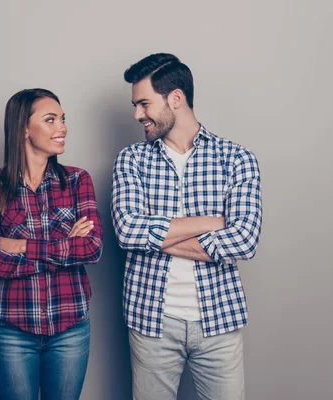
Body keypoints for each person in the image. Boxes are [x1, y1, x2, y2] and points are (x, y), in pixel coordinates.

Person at [111, 53, 262, 400]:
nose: (137, 115)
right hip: (151, 320)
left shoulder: (236, 158)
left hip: (219, 319)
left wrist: (156, 235)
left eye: (144, 103)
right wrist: (213, 223)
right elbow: (128, 232)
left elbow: (244, 240)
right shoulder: (131, 159)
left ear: (175, 99)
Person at [0, 88, 103, 400]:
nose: (63, 127)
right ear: (24, 129)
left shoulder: (77, 180)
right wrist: (63, 246)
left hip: (70, 327)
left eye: (63, 119)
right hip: (13, 330)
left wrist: (20, 246)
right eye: (51, 119)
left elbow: (92, 247)